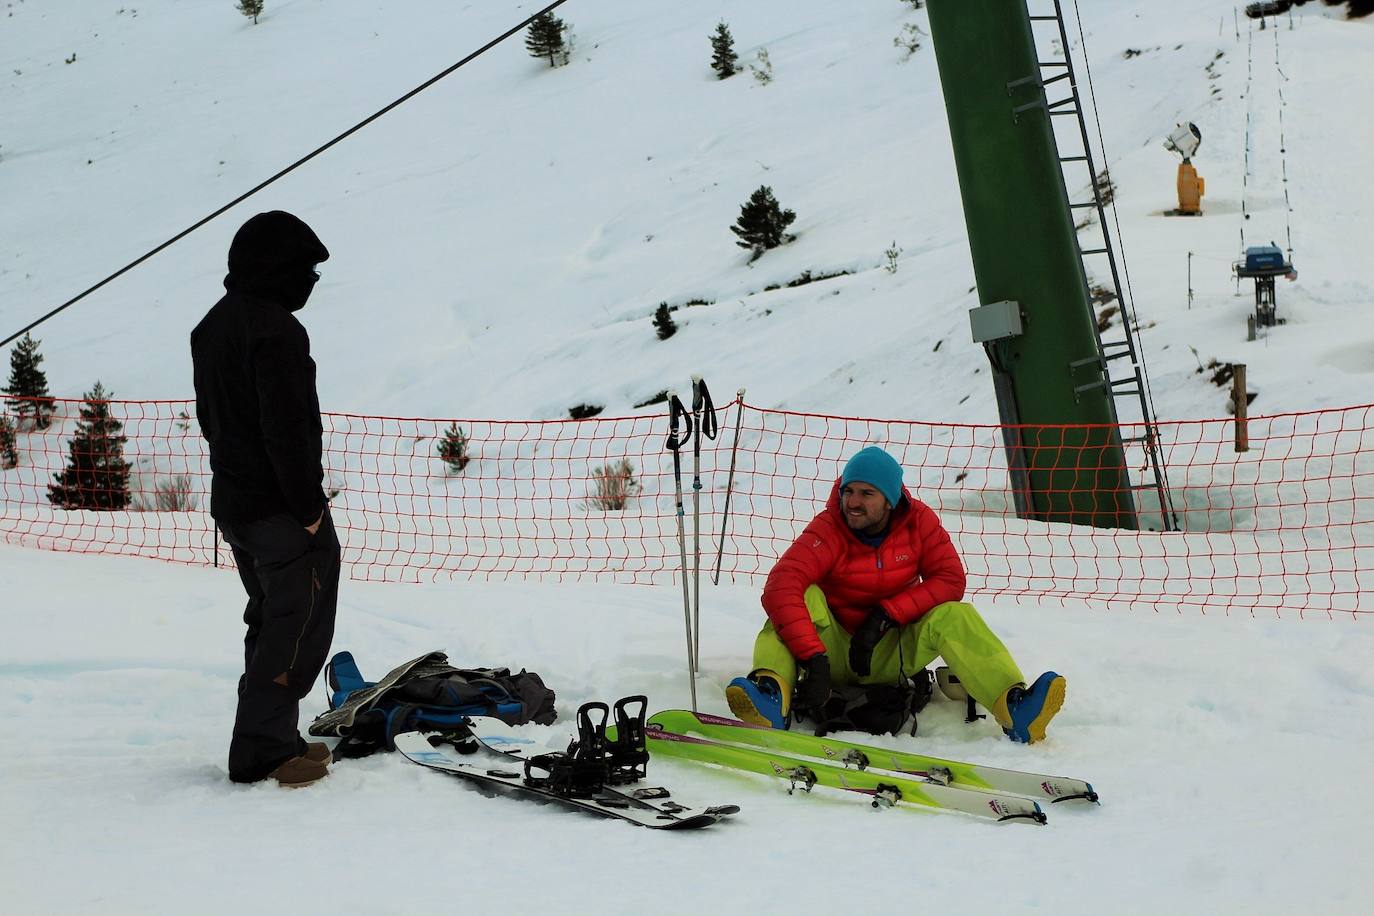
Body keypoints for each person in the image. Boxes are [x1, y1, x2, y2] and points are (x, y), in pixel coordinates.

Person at [725, 445, 1065, 743]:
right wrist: (813, 658)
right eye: (848, 491)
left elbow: (950, 579)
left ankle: (1014, 708)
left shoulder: (919, 522)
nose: (852, 503)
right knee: (800, 597)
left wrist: (886, 615)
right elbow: (781, 583)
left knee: (955, 614)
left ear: (889, 499)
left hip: (892, 652)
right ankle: (771, 696)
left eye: (866, 494)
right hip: (830, 657)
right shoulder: (829, 527)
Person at [191, 210, 341, 787]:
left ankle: (272, 736)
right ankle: (263, 752)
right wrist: (307, 511)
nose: (310, 281)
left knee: (271, 619)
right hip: (281, 509)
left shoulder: (214, 325)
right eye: (306, 269)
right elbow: (288, 429)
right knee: (297, 624)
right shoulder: (275, 330)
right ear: (277, 268)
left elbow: (214, 421)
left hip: (235, 502)